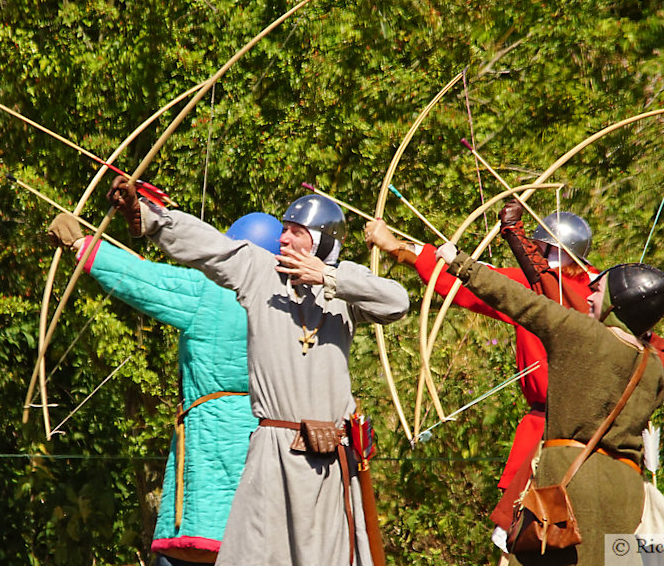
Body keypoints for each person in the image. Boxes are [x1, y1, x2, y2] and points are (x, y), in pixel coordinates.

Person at [107, 176, 410, 566]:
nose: (282, 239)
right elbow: (209, 247)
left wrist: (329, 278)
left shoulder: (345, 291)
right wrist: (147, 216)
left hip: (331, 462)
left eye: (295, 232)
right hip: (273, 454)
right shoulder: (259, 271)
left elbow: (397, 302)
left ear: (320, 241)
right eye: (283, 230)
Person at [364, 203, 664, 537]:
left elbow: (482, 281)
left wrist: (396, 247)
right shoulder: (624, 322)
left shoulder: (580, 306)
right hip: (618, 476)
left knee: (522, 541)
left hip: (553, 449)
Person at [48, 210, 282, 565]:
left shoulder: (212, 293)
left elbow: (143, 280)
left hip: (210, 444)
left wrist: (81, 244)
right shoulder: (297, 304)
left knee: (197, 545)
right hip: (272, 448)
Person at [434, 239, 664, 565]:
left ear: (617, 303)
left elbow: (518, 300)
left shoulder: (579, 333)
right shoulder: (655, 367)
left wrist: (459, 262)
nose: (589, 295)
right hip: (627, 493)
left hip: (571, 486)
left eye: (599, 290)